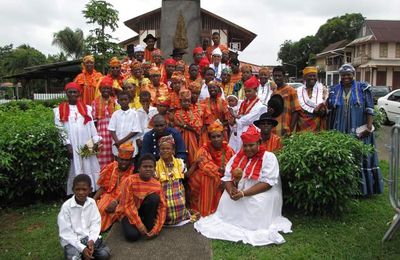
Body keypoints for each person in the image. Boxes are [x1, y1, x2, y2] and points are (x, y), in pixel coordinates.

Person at [194, 125, 292, 246]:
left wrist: (243, 193)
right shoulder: (238, 156)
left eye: (251, 145)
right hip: (240, 191)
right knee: (226, 197)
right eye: (245, 145)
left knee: (256, 202)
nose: (248, 149)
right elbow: (227, 177)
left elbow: (267, 184)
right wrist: (231, 191)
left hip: (263, 191)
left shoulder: (269, 157)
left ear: (259, 143)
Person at [327, 63, 383, 196]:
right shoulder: (335, 89)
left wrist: (369, 127)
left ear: (353, 75)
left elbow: (370, 108)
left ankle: (362, 189)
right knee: (343, 155)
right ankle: (343, 188)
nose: (346, 77)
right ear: (340, 76)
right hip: (340, 128)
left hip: (359, 128)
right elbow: (330, 110)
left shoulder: (363, 88)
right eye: (343, 75)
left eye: (348, 74)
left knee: (359, 155)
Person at [54, 82, 101, 195]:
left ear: (79, 93)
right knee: (75, 166)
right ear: (66, 93)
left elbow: (91, 126)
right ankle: (76, 191)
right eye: (70, 92)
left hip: (86, 142)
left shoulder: (87, 108)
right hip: (72, 144)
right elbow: (59, 128)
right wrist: (67, 144)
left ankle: (91, 189)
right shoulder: (59, 109)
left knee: (89, 164)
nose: (72, 94)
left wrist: (95, 141)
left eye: (75, 92)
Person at [58, 174, 111, 260]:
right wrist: (82, 248)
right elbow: (66, 233)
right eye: (77, 189)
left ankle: (87, 253)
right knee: (74, 258)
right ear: (73, 190)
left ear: (90, 190)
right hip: (73, 242)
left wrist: (91, 240)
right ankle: (82, 253)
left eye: (84, 189)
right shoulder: (66, 207)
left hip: (88, 238)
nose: (81, 192)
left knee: (105, 254)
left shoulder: (92, 203)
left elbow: (95, 223)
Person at [116, 154, 167, 241]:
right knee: (132, 236)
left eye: (151, 167)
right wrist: (140, 225)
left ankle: (147, 224)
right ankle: (139, 224)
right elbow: (127, 205)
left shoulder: (157, 184)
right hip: (128, 213)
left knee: (154, 198)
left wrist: (156, 229)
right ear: (139, 168)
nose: (148, 169)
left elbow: (162, 207)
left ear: (154, 169)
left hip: (143, 211)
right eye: (145, 166)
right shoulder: (130, 180)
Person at [189, 120, 235, 217]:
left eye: (219, 136)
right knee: (208, 177)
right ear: (209, 138)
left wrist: (226, 180)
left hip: (224, 177)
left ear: (223, 137)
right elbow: (206, 167)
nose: (216, 139)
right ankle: (207, 209)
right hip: (207, 178)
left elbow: (234, 166)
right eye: (213, 137)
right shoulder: (203, 149)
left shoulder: (228, 149)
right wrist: (221, 179)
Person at [93, 143, 135, 232]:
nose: (123, 162)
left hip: (124, 200)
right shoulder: (111, 167)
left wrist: (116, 202)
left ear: (131, 161)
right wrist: (93, 200)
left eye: (126, 160)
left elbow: (131, 193)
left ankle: (99, 229)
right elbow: (103, 187)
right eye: (121, 159)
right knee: (100, 207)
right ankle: (93, 229)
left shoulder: (134, 172)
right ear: (117, 158)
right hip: (108, 195)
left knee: (115, 210)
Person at [155, 135, 191, 226]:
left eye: (168, 148)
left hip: (178, 193)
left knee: (179, 203)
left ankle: (182, 217)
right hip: (163, 195)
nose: (165, 151)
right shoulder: (155, 166)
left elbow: (186, 176)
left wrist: (195, 165)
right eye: (162, 149)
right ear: (159, 151)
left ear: (173, 151)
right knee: (165, 206)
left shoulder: (180, 163)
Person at [229, 76, 268, 152]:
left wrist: (235, 116)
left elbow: (245, 120)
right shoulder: (243, 103)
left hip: (249, 136)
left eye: (249, 91)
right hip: (238, 133)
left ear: (255, 90)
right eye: (245, 91)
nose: (247, 93)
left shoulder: (260, 106)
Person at [108, 91, 141, 160]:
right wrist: (117, 142)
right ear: (118, 101)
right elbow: (112, 129)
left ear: (129, 100)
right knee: (118, 162)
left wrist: (120, 142)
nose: (123, 102)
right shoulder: (115, 114)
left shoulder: (134, 113)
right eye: (121, 100)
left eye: (125, 99)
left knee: (129, 162)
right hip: (117, 145)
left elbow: (135, 131)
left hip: (129, 145)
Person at [173, 89, 202, 165]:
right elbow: (177, 125)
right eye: (184, 101)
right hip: (182, 137)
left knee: (194, 155)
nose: (187, 103)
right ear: (180, 102)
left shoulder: (194, 112)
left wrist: (184, 125)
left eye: (188, 101)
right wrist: (187, 127)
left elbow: (198, 125)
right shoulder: (177, 113)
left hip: (194, 137)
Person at [92, 77, 116, 169]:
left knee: (113, 156)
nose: (106, 90)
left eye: (108, 88)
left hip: (113, 135)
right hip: (100, 134)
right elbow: (94, 122)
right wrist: (94, 137)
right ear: (100, 89)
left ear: (111, 90)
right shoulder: (95, 102)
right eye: (103, 88)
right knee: (100, 158)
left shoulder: (115, 101)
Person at [272, 66, 301, 137]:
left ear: (284, 77)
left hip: (285, 130)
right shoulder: (273, 93)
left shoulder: (291, 90)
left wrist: (290, 129)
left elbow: (296, 111)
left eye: (279, 76)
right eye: (275, 76)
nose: (277, 78)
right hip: (274, 130)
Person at [296, 66, 328, 132]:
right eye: (309, 76)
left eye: (314, 76)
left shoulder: (323, 90)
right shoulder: (298, 91)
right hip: (303, 124)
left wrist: (323, 110)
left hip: (318, 123)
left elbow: (326, 105)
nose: (312, 78)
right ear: (304, 77)